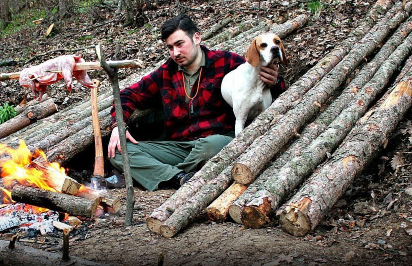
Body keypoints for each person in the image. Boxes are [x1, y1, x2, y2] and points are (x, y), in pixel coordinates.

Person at [107, 14, 285, 191]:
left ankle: (160, 174)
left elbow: (270, 91)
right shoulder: (165, 73)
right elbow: (127, 95)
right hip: (180, 147)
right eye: (170, 47)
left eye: (180, 44)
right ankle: (178, 177)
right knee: (118, 151)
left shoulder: (226, 62)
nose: (175, 52)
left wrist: (275, 81)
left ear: (197, 38)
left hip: (219, 141)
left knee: (208, 148)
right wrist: (118, 126)